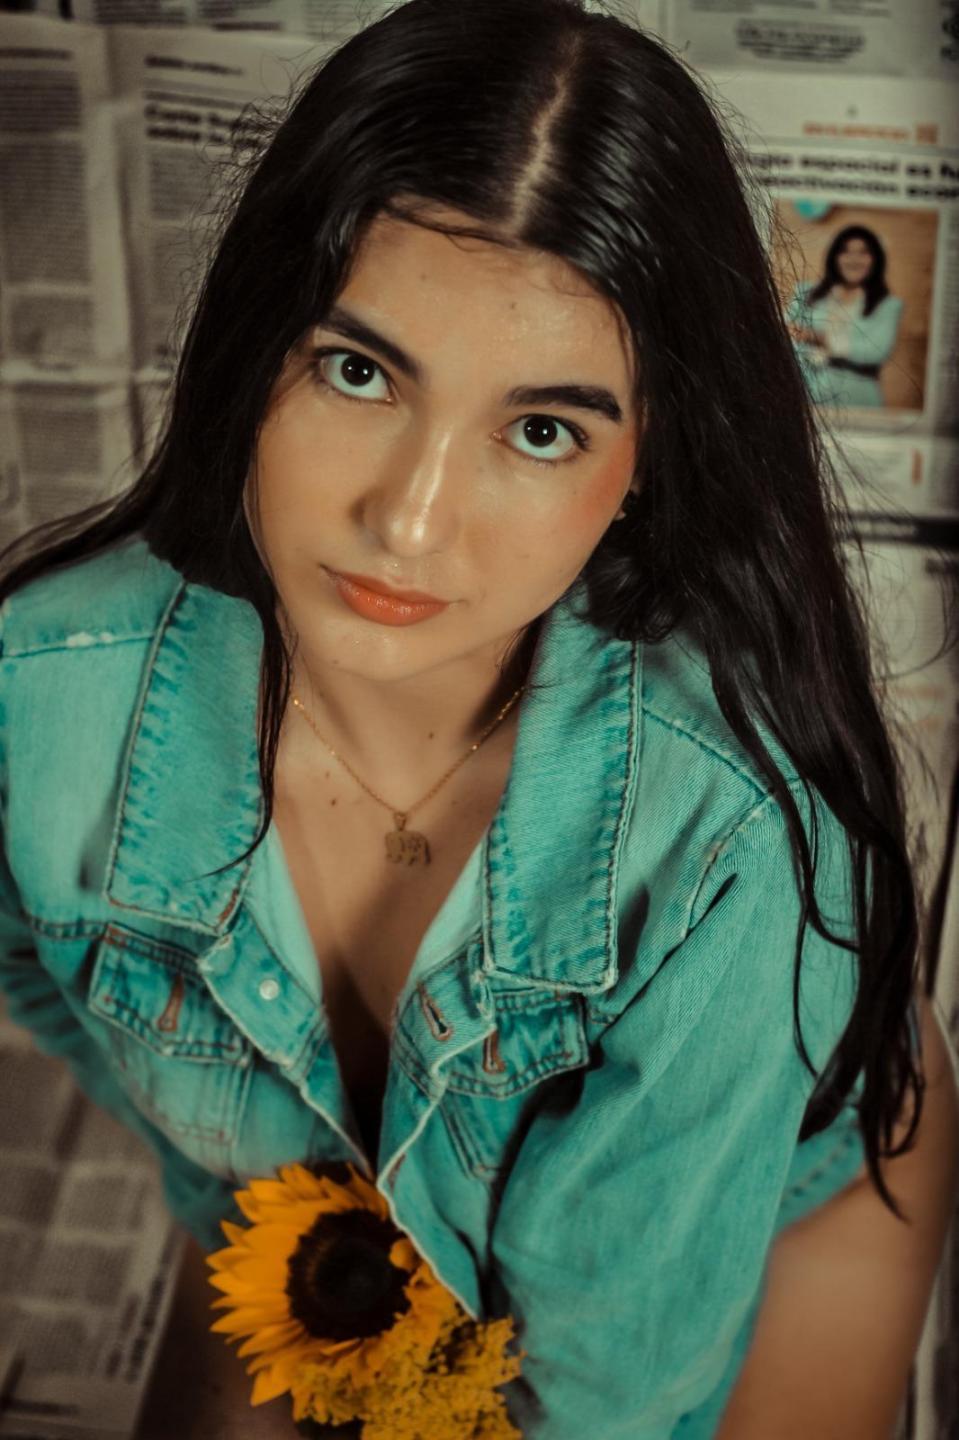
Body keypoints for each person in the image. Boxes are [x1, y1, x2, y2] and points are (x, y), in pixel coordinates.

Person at [0, 1, 956, 1435]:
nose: (410, 519)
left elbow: (607, 1393)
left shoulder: (724, 843)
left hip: (776, 1195)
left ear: (642, 464)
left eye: (540, 430)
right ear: (256, 349)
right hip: (330, 1239)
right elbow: (52, 988)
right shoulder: (39, 690)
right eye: (358, 371)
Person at [786, 223, 904, 409]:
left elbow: (876, 352)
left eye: (863, 252)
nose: (854, 259)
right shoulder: (806, 292)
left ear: (876, 259)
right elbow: (786, 333)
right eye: (845, 251)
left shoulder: (888, 305)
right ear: (834, 256)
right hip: (807, 392)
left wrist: (820, 338)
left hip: (858, 397)